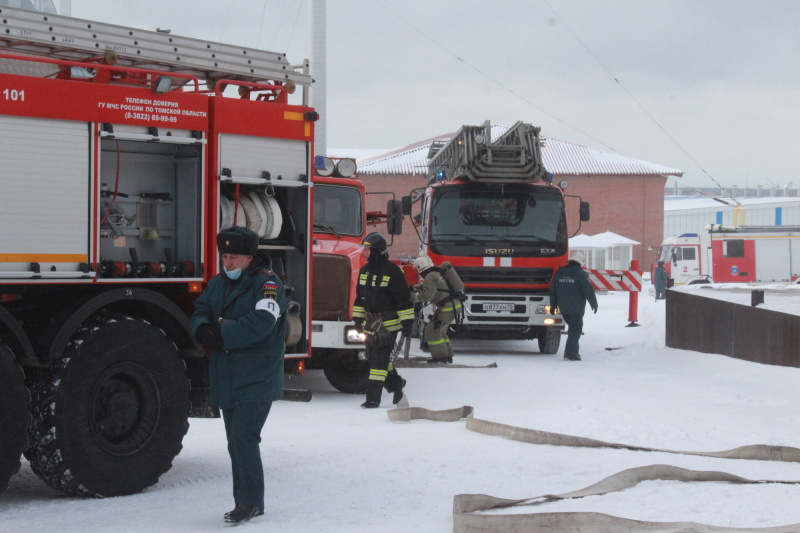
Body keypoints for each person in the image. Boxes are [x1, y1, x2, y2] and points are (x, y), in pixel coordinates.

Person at [191, 226, 287, 524]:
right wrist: (204, 329)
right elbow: (200, 310)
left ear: (249, 257)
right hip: (228, 375)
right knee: (235, 440)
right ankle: (247, 501)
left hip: (257, 375)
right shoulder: (218, 283)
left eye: (233, 257)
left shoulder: (268, 284)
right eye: (225, 256)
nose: (227, 262)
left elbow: (263, 320)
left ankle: (249, 503)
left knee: (243, 437)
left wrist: (221, 332)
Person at [352, 232, 415, 408]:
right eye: (364, 250)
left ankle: (373, 399)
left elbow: (403, 299)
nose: (365, 253)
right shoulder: (364, 271)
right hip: (370, 325)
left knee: (378, 364)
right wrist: (357, 319)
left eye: (368, 250)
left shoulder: (393, 272)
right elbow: (359, 299)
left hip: (388, 325)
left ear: (378, 251)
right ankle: (396, 385)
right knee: (375, 359)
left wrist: (407, 323)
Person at [410, 255, 461, 364]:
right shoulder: (437, 273)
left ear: (420, 268)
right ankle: (448, 356)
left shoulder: (429, 277)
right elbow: (438, 288)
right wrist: (421, 287)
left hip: (447, 307)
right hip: (454, 304)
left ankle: (440, 358)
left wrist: (411, 296)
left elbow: (427, 297)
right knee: (441, 331)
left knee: (432, 331)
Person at [548, 252, 598, 361]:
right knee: (575, 330)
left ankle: (574, 352)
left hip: (563, 308)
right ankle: (570, 353)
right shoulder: (581, 274)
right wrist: (594, 304)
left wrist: (553, 305)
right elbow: (589, 291)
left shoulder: (559, 273)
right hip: (576, 309)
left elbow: (553, 291)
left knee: (573, 330)